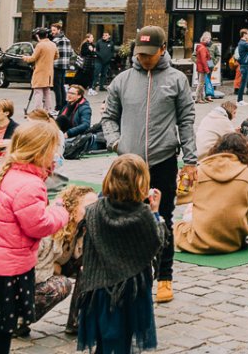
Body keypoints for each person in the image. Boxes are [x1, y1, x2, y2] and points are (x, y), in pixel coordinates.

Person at [100, 25, 196, 305]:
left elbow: (186, 120)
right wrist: (116, 143)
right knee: (124, 219)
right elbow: (108, 117)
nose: (144, 59)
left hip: (162, 160)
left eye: (150, 54)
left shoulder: (177, 80)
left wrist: (191, 160)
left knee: (163, 219)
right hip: (128, 164)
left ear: (163, 49)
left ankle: (164, 277)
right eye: (140, 54)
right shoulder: (122, 80)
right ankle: (127, 274)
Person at [0, 121, 74, 354]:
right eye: (53, 150)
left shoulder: (5, 172)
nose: (55, 156)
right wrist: (60, 211)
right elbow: (38, 225)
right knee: (2, 333)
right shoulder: (29, 184)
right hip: (10, 271)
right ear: (40, 152)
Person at [72, 154, 164, 354]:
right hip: (131, 288)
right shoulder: (143, 214)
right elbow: (156, 242)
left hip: (100, 285)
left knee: (104, 338)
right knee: (124, 339)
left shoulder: (94, 211)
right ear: (141, 184)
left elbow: (88, 246)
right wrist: (156, 212)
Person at [175, 133, 248, 255]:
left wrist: (181, 179)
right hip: (234, 241)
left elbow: (177, 197)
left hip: (199, 240)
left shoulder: (198, 171)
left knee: (177, 226)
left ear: (217, 148)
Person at [29, 183, 96, 337]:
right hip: (30, 281)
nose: (93, 212)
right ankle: (18, 319)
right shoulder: (51, 225)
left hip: (56, 267)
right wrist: (53, 268)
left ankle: (76, 321)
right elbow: (32, 267)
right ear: (72, 208)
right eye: (88, 207)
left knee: (89, 266)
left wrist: (85, 239)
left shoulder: (80, 228)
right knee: (61, 285)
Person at [58, 85, 101, 158]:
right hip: (64, 130)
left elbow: (86, 125)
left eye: (72, 93)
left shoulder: (85, 108)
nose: (69, 95)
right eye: (68, 92)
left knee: (62, 118)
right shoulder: (67, 104)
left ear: (79, 96)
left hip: (75, 133)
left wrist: (69, 133)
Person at [30, 29, 57, 115]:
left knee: (38, 91)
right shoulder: (53, 44)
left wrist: (25, 58)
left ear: (38, 36)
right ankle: (47, 110)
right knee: (47, 91)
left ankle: (38, 110)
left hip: (40, 71)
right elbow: (56, 56)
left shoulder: (40, 45)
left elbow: (33, 58)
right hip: (49, 72)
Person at [50, 26, 73, 105]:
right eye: (52, 30)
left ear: (59, 30)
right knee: (62, 85)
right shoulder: (67, 40)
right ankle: (64, 103)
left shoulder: (55, 40)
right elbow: (71, 53)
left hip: (56, 64)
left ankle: (58, 105)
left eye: (54, 30)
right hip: (65, 65)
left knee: (57, 86)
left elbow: (51, 53)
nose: (52, 32)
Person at [233, 29, 248, 103]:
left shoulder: (242, 43)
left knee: (243, 83)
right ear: (244, 35)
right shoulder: (243, 43)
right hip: (245, 65)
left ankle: (240, 99)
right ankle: (240, 100)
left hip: (244, 64)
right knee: (243, 83)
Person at [193, 32, 215, 103]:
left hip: (203, 67)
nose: (209, 40)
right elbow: (204, 60)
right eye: (208, 39)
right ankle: (198, 98)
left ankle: (201, 98)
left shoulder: (201, 47)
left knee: (202, 83)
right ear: (204, 39)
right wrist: (207, 69)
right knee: (201, 83)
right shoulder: (203, 48)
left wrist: (211, 66)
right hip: (203, 68)